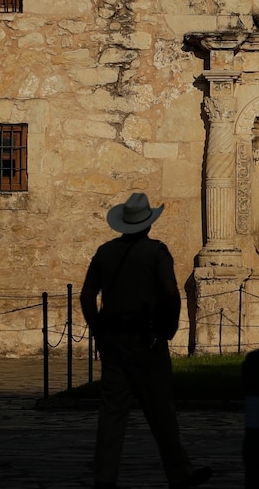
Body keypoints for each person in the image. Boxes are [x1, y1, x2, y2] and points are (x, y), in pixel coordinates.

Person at [81, 191, 212, 489]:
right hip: (146, 339)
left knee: (112, 413)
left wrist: (98, 329)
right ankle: (179, 473)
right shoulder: (156, 253)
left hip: (113, 339)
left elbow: (88, 296)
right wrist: (168, 329)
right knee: (161, 410)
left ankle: (104, 478)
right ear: (148, 224)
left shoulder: (105, 253)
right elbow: (169, 292)